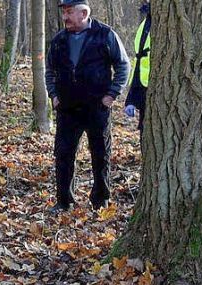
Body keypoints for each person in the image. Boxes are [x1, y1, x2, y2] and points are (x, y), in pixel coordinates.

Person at [45, 0, 130, 212]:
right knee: (63, 155)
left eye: (69, 12)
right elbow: (49, 71)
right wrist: (54, 95)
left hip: (97, 108)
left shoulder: (105, 34)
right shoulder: (58, 40)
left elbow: (123, 65)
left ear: (83, 13)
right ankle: (64, 201)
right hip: (67, 109)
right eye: (64, 12)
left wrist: (112, 94)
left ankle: (100, 200)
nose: (65, 17)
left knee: (100, 154)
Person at [124, 1, 151, 130]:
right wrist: (131, 100)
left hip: (157, 93)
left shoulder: (161, 23)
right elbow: (139, 62)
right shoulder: (145, 24)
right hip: (144, 92)